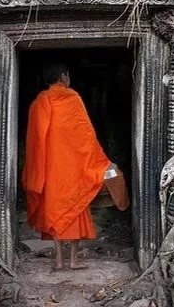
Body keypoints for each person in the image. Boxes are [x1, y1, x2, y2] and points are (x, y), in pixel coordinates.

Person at [21, 62, 113, 270]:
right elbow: (85, 136)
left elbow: (33, 142)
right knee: (75, 208)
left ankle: (59, 261)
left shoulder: (38, 104)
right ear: (63, 77)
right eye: (68, 75)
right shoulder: (72, 99)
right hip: (72, 167)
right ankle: (72, 261)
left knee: (54, 210)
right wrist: (100, 161)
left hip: (50, 169)